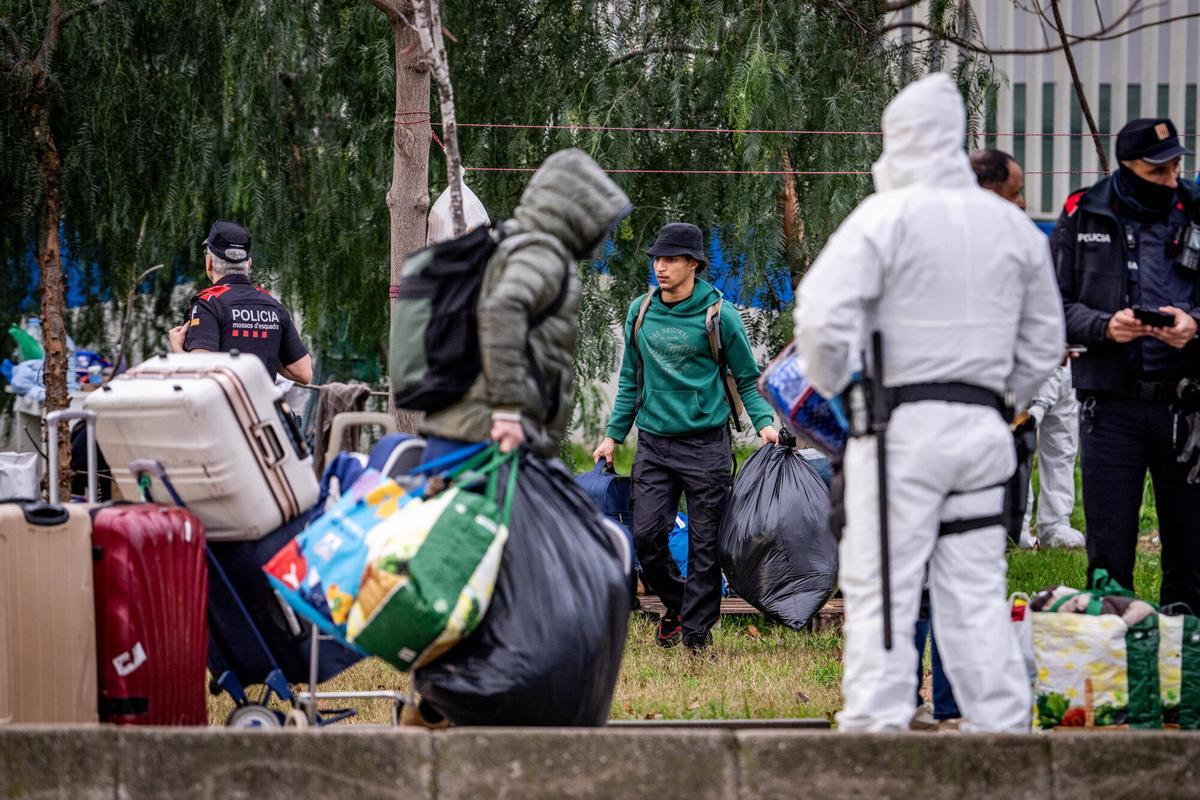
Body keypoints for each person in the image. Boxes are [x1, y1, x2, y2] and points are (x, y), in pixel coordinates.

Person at [793, 74, 1064, 731]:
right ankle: (1000, 725)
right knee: (973, 584)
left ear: (900, 141)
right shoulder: (1015, 229)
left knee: (883, 578)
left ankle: (877, 724)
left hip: (898, 431)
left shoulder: (886, 218)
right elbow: (1044, 343)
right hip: (983, 431)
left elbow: (822, 322)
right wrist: (1005, 404)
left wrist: (842, 394)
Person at [593, 222, 779, 653]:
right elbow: (629, 380)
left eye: (671, 259)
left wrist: (764, 422)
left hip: (706, 446)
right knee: (646, 537)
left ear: (693, 264)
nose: (661, 267)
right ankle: (678, 607)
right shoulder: (640, 310)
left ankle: (697, 634)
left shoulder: (719, 314)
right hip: (655, 445)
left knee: (704, 546)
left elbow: (747, 380)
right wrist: (613, 434)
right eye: (657, 259)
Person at [1052, 117, 1200, 610]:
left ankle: (1186, 658)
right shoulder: (1085, 212)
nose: (1171, 180)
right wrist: (1104, 327)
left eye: (1176, 166)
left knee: (1191, 546)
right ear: (1126, 167)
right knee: (1109, 548)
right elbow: (1054, 306)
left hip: (1187, 406)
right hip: (1110, 408)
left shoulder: (1195, 208)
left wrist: (1194, 325)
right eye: (1158, 171)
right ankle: (1113, 661)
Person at [419, 148, 632, 462]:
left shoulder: (509, 244)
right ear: (574, 212)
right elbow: (502, 310)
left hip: (471, 427)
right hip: (491, 436)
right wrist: (507, 410)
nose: (602, 235)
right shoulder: (540, 253)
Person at [972, 148, 1085, 550]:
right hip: (1012, 373)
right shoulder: (968, 244)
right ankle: (1016, 526)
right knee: (1021, 447)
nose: (1022, 203)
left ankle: (1055, 522)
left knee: (1059, 445)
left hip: (1051, 364)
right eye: (1015, 191)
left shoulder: (1032, 240)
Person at [169, 220, 312, 385]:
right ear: (249, 263)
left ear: (209, 263)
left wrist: (177, 351)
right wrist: (266, 352)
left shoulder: (207, 305)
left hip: (223, 409)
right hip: (262, 409)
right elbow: (304, 373)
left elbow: (200, 373)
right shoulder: (273, 306)